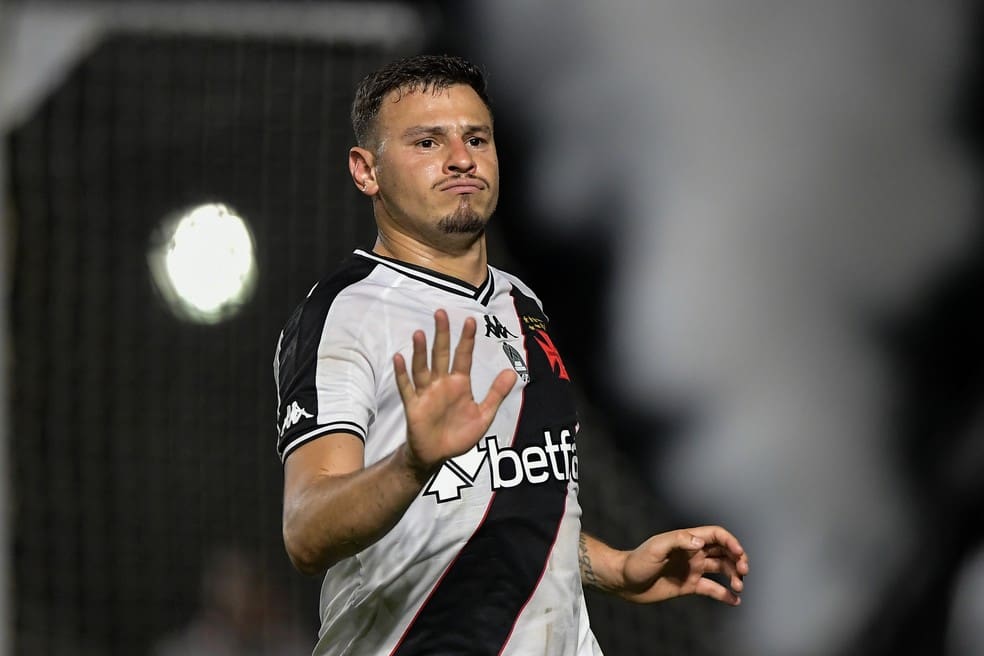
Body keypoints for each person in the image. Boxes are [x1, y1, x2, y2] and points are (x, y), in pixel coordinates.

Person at [272, 53, 749, 656]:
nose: (461, 158)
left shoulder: (523, 303)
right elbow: (305, 532)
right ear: (366, 171)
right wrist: (413, 464)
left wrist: (619, 568)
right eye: (426, 141)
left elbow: (507, 502)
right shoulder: (344, 313)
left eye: (477, 137)